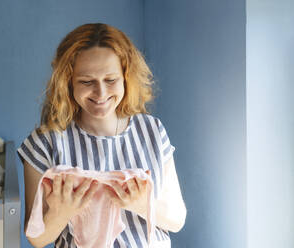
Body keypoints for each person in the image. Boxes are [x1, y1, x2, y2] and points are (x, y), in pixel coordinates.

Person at [18, 23, 186, 248]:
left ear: (126, 76)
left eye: (111, 80)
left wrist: (140, 204)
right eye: (87, 82)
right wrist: (62, 213)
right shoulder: (44, 143)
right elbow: (36, 238)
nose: (101, 93)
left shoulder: (152, 131)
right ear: (67, 82)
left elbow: (177, 220)